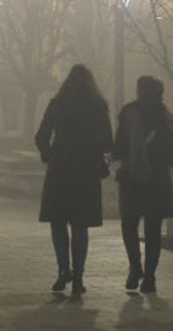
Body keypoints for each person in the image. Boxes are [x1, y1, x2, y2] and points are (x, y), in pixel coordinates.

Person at [35, 64, 112, 297]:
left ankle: (62, 269)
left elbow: (41, 136)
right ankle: (78, 278)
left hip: (60, 169)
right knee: (80, 226)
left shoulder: (57, 104)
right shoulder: (98, 106)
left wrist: (49, 154)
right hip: (86, 171)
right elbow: (108, 141)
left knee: (58, 222)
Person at [112, 76, 173, 294]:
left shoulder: (128, 113)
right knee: (153, 230)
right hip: (159, 180)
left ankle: (135, 267)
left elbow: (119, 147)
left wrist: (117, 157)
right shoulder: (168, 118)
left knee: (129, 225)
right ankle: (150, 277)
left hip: (132, 177)